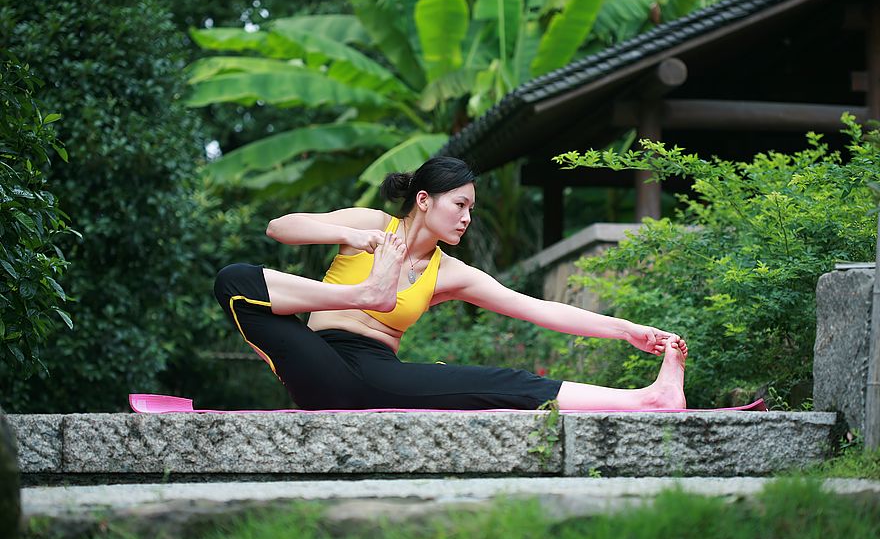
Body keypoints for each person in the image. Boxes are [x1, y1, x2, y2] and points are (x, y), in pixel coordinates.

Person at [213, 156, 688, 411]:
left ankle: (650, 398)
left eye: (471, 209)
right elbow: (281, 227)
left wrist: (625, 329)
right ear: (424, 199)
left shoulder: (451, 272)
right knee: (234, 279)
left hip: (376, 372)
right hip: (314, 357)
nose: (467, 217)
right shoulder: (370, 225)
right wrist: (353, 235)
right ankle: (363, 295)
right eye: (459, 205)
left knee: (506, 383)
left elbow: (539, 309)